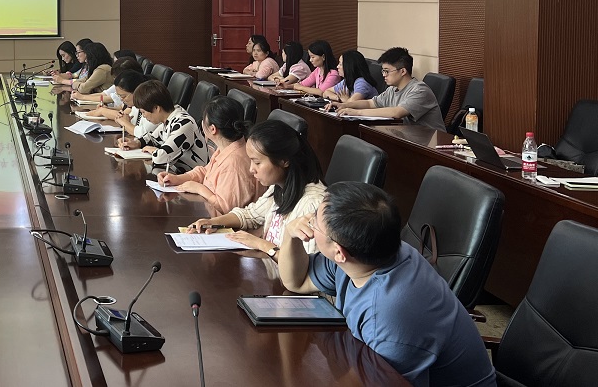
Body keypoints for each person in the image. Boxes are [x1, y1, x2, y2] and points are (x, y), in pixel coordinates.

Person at [278, 182, 497, 387]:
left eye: (314, 221)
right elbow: (297, 281)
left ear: (339, 252)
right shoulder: (369, 253)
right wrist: (290, 234)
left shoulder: (389, 315)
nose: (308, 221)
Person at [182, 118, 326, 256]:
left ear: (284, 161)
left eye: (257, 163)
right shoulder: (279, 186)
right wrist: (214, 222)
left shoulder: (313, 204)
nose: (251, 169)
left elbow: (308, 265)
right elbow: (251, 215)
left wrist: (260, 244)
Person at [156, 96, 260, 214]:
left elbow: (226, 209)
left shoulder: (234, 164)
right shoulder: (227, 147)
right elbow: (206, 171)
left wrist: (199, 189)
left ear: (212, 129)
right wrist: (177, 179)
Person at [336, 47, 445, 131]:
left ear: (403, 71)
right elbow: (370, 103)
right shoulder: (392, 90)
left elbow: (397, 112)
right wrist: (344, 105)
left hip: (430, 144)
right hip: (408, 139)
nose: (384, 75)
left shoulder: (420, 90)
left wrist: (357, 113)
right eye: (383, 71)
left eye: (387, 71)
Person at [115, 79, 198, 171]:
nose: (144, 116)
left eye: (143, 112)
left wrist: (154, 151)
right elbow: (152, 138)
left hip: (190, 176)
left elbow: (162, 158)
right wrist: (136, 143)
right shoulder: (170, 118)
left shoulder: (184, 123)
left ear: (156, 108)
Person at [72, 56, 141, 107]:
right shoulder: (119, 84)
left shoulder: (130, 88)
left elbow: (108, 98)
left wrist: (82, 97)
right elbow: (104, 94)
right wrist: (81, 96)